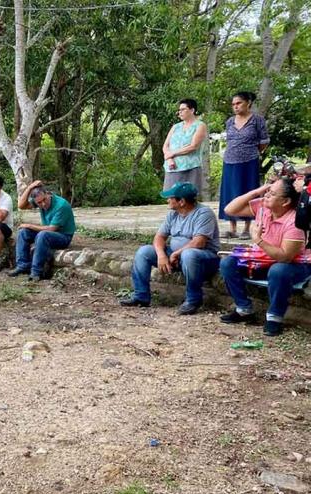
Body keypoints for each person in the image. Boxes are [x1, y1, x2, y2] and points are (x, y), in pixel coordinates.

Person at [219, 178, 311, 336]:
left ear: (285, 201)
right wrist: (257, 191)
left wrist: (258, 240)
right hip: (263, 259)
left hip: (292, 265)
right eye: (268, 191)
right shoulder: (263, 207)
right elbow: (229, 209)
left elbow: (285, 257)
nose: (267, 195)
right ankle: (244, 309)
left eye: (272, 193)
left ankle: (274, 317)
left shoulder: (294, 221)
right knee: (228, 263)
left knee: (278, 270)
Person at [120, 182, 220, 315]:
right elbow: (159, 237)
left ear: (182, 201)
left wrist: (178, 253)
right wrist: (161, 255)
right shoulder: (173, 214)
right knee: (144, 252)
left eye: (170, 198)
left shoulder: (204, 213)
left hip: (203, 258)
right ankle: (141, 296)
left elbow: (199, 242)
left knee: (189, 254)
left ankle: (193, 300)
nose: (167, 200)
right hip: (176, 256)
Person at [219, 91, 270, 239]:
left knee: (248, 192)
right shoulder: (229, 121)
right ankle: (232, 228)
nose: (235, 106)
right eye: (233, 104)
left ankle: (247, 228)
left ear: (248, 103)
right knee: (230, 193)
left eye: (239, 103)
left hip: (249, 162)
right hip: (229, 161)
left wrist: (251, 152)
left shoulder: (257, 120)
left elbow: (264, 141)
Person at [9, 181, 75, 281]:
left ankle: (36, 272)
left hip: (63, 237)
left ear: (48, 194)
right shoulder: (39, 202)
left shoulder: (61, 205)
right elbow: (21, 205)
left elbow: (52, 229)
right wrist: (30, 187)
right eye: (39, 202)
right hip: (47, 234)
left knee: (42, 234)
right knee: (23, 232)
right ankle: (23, 266)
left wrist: (29, 225)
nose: (43, 204)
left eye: (44, 200)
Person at [162, 98, 208, 192]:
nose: (180, 112)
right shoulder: (176, 126)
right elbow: (165, 146)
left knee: (188, 198)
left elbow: (193, 146)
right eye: (179, 110)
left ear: (192, 110)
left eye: (183, 109)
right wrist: (170, 159)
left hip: (190, 167)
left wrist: (172, 153)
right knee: (172, 197)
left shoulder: (200, 125)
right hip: (172, 167)